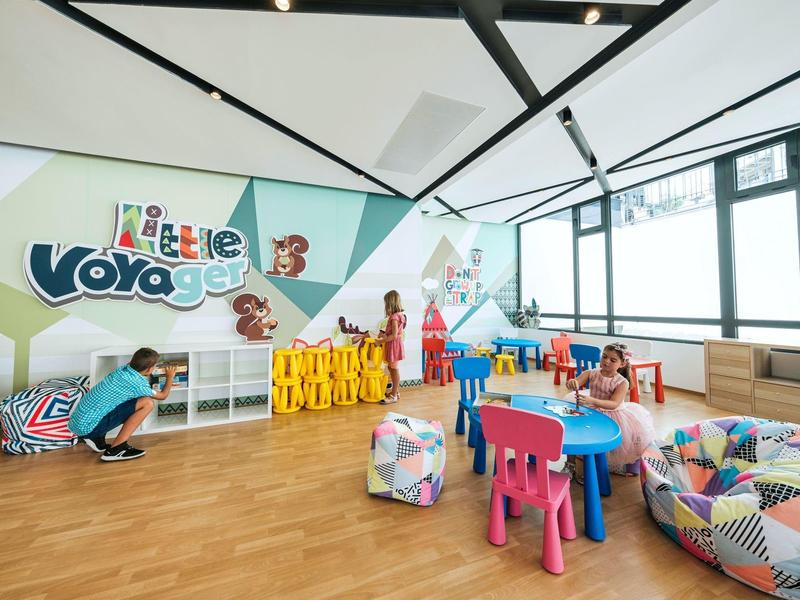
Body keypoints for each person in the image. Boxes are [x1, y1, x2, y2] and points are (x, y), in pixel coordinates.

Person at [68, 347, 176, 461]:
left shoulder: (122, 370)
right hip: (88, 428)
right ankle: (116, 449)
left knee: (130, 400)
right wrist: (170, 377)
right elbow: (163, 395)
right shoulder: (138, 385)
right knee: (147, 402)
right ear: (149, 370)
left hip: (78, 424)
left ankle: (96, 439)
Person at [565, 341, 656, 475]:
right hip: (592, 410)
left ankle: (610, 463)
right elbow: (575, 382)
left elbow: (614, 403)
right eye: (604, 357)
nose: (606, 361)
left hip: (612, 413)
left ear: (622, 364)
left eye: (613, 360)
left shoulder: (622, 382)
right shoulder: (592, 373)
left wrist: (592, 400)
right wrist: (572, 382)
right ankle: (570, 464)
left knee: (613, 440)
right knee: (572, 430)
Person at [376, 290, 406, 405]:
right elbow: (394, 333)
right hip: (394, 344)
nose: (385, 307)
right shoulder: (399, 315)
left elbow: (393, 335)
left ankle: (393, 395)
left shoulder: (394, 317)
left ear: (390, 304)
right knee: (391, 368)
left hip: (394, 345)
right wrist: (384, 335)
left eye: (386, 304)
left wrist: (380, 341)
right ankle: (395, 391)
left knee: (394, 368)